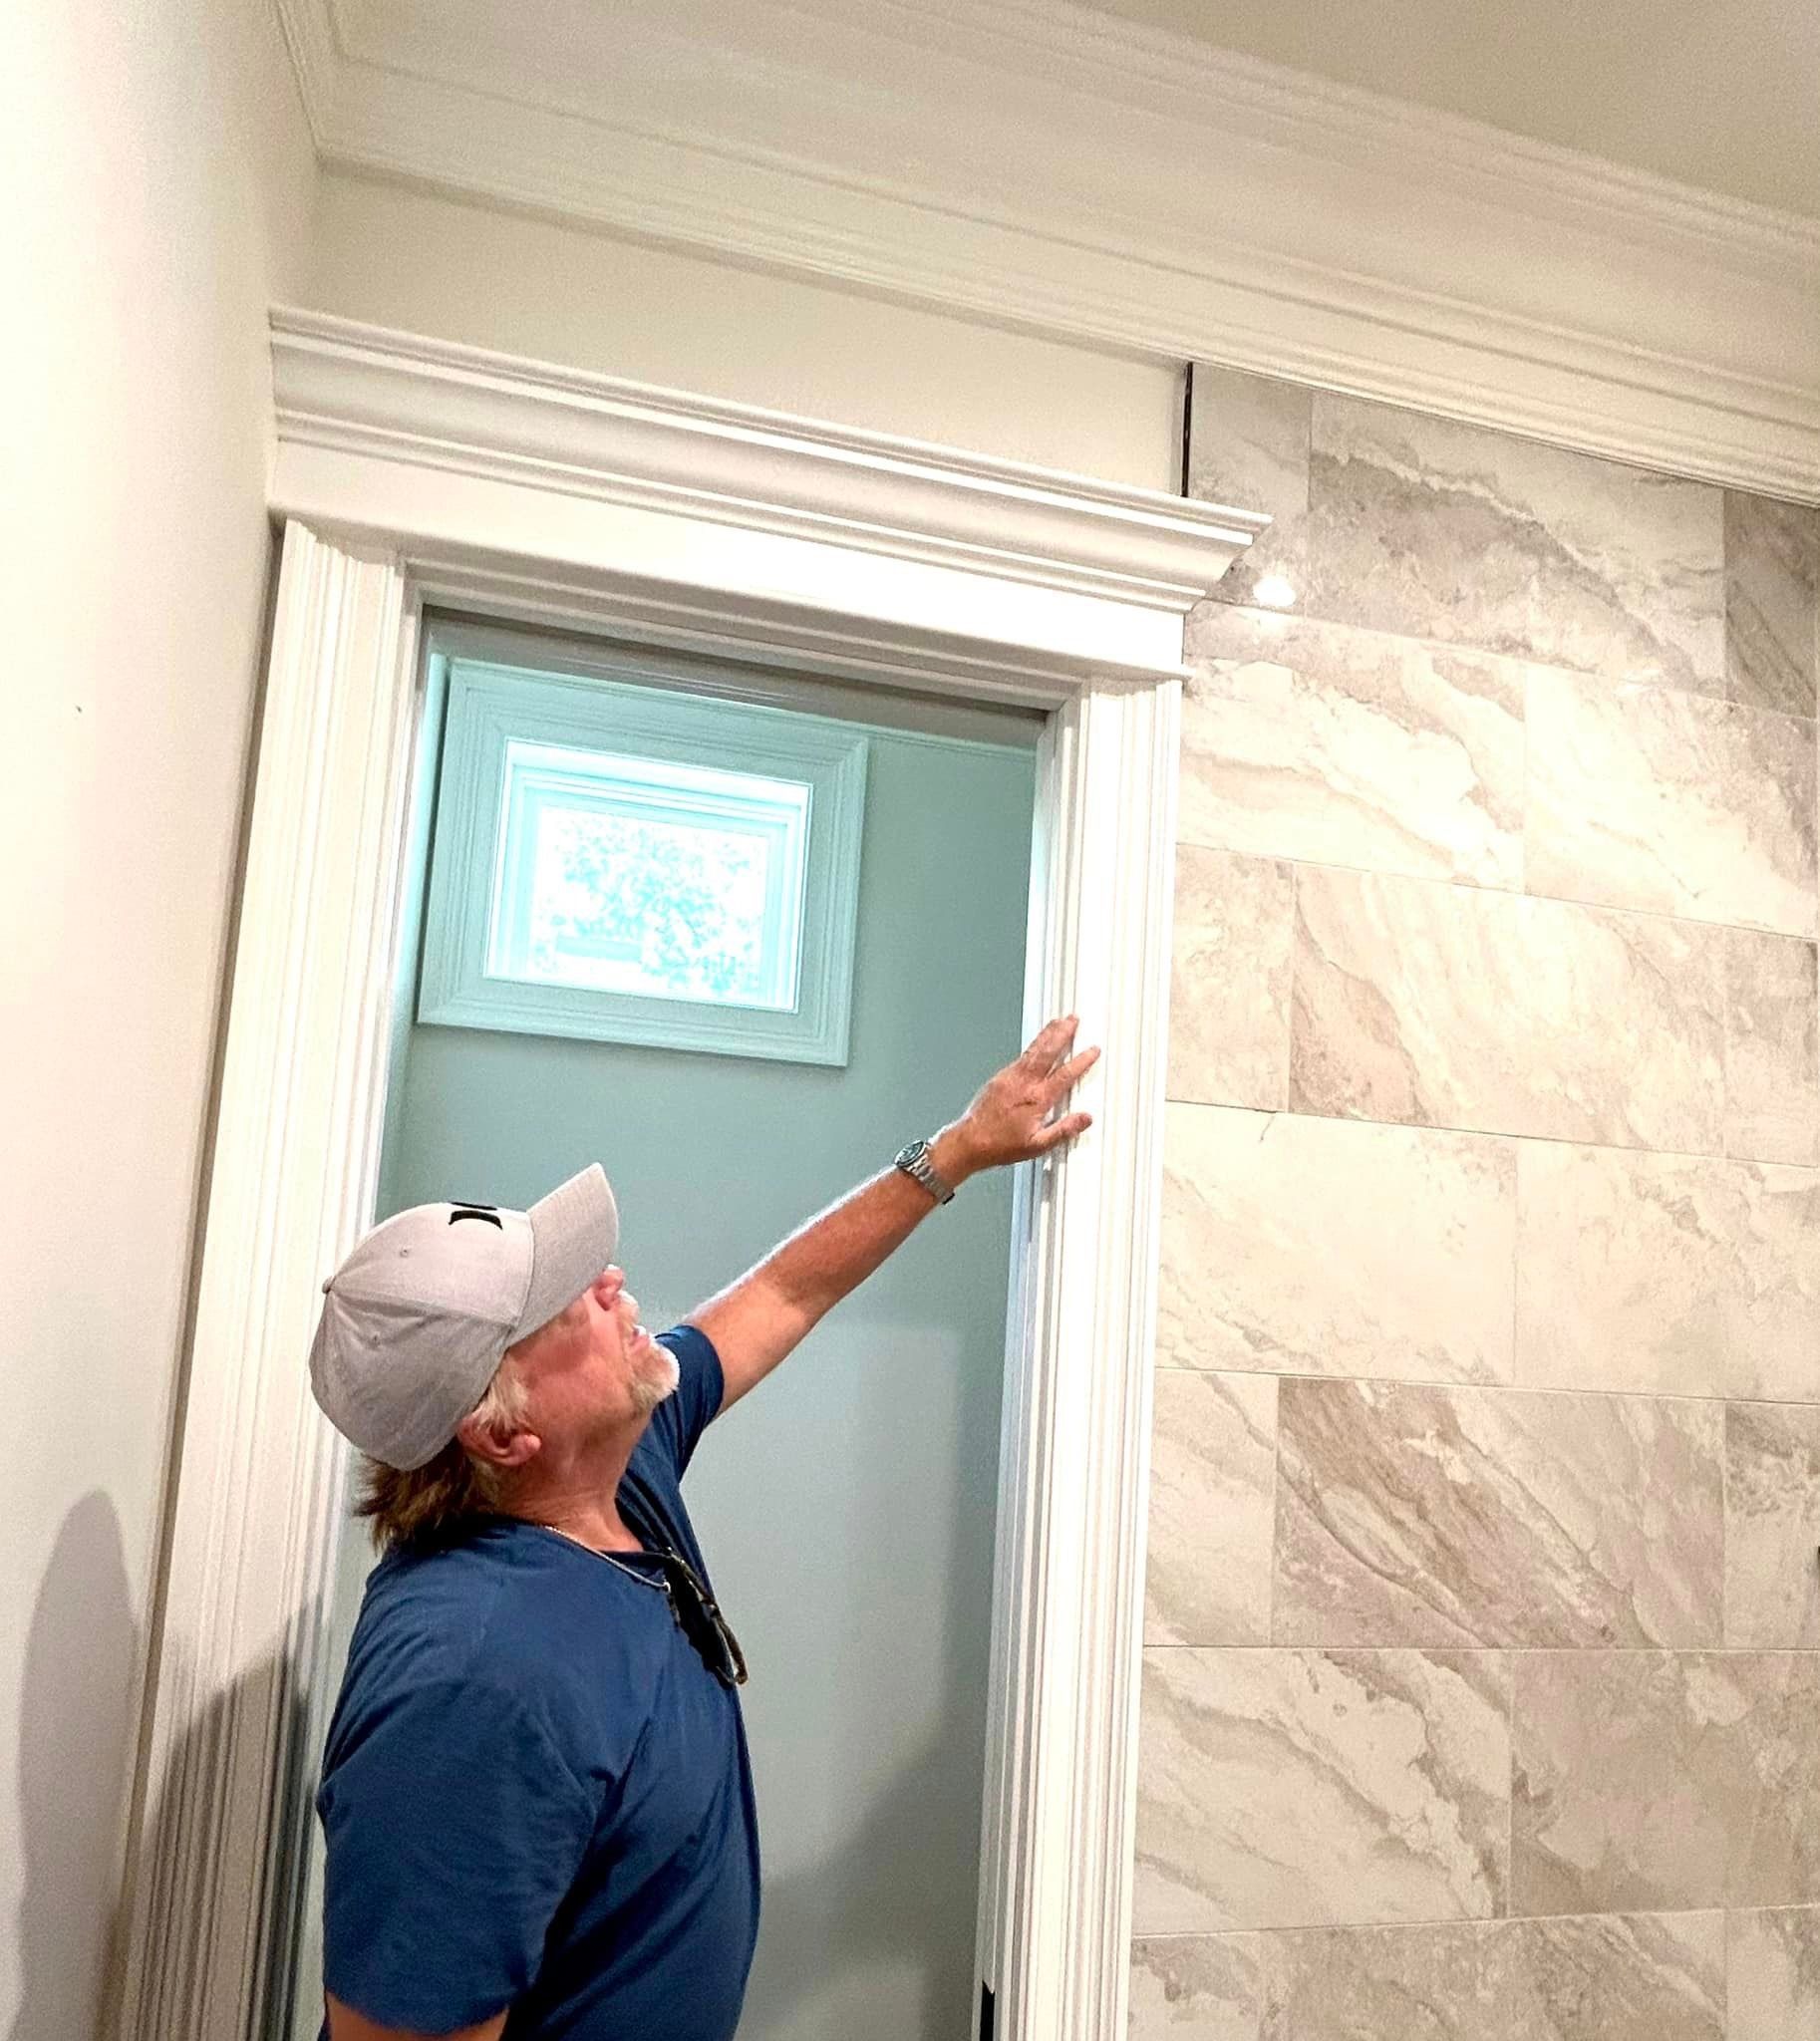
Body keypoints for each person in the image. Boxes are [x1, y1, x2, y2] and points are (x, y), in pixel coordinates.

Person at [305, 1016, 1099, 2041]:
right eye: (563, 1304)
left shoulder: (608, 1472)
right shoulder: (478, 1674)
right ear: (501, 1432)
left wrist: (957, 1146)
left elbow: (776, 1292)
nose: (610, 1282)